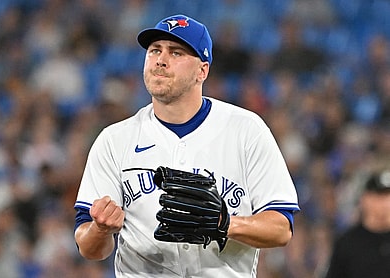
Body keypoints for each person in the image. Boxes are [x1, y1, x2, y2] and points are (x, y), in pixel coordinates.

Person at [74, 14, 300, 277]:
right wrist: (99, 230)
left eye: (176, 52)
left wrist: (225, 224)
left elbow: (281, 229)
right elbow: (90, 248)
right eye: (154, 50)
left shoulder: (247, 130)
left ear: (202, 71)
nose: (161, 59)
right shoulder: (114, 140)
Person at [325, 170, 390, 278]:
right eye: (379, 195)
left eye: (387, 196)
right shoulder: (348, 243)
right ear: (364, 199)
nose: (385, 202)